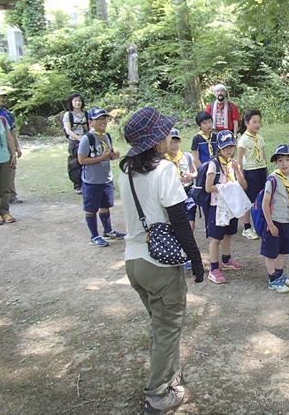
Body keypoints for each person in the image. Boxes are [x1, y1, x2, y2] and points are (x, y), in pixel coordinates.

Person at [118, 107, 205, 415]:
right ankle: (157, 395)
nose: (169, 136)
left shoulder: (125, 170)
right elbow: (179, 221)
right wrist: (196, 260)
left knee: (160, 324)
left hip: (133, 261)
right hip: (159, 264)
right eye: (165, 132)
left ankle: (170, 377)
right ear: (155, 140)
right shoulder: (164, 169)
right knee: (168, 327)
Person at [77, 107, 125, 246]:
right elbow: (81, 160)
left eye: (104, 118)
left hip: (106, 178)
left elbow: (107, 155)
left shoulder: (107, 136)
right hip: (92, 180)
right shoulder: (87, 138)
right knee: (91, 209)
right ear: (91, 121)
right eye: (98, 119)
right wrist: (101, 157)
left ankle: (108, 231)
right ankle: (94, 236)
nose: (102, 121)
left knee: (105, 206)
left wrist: (112, 156)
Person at [205, 130, 247, 284]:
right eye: (225, 148)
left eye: (231, 147)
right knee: (216, 238)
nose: (229, 150)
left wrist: (237, 170)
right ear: (219, 148)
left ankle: (226, 260)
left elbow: (243, 185)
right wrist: (226, 187)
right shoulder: (214, 164)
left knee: (228, 234)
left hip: (231, 205)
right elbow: (208, 187)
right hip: (218, 206)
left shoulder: (232, 163)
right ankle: (213, 268)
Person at [261, 144, 289, 293]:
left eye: (287, 159)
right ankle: (272, 279)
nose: (284, 163)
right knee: (271, 251)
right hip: (274, 221)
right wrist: (270, 224)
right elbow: (264, 204)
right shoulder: (273, 179)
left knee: (282, 250)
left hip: (287, 220)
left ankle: (279, 274)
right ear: (276, 163)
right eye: (280, 160)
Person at [237, 108, 267, 240]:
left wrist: (266, 171)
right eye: (254, 122)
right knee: (249, 200)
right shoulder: (243, 139)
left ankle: (258, 224)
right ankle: (246, 227)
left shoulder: (260, 138)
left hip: (261, 170)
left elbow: (264, 156)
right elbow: (239, 161)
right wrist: (241, 177)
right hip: (249, 171)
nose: (257, 125)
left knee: (260, 199)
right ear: (247, 122)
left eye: (259, 122)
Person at [165, 129, 197, 231]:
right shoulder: (163, 160)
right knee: (176, 223)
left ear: (180, 141)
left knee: (190, 221)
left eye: (176, 142)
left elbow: (196, 172)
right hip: (173, 194)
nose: (173, 145)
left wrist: (191, 176)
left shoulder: (186, 156)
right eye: (170, 142)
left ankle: (188, 244)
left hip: (188, 192)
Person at [0, 87, 22, 204]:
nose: (3, 99)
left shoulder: (7, 114)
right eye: (0, 96)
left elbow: (12, 132)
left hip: (6, 148)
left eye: (4, 96)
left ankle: (11, 195)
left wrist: (17, 147)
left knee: (11, 171)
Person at [0, 91, 17, 225]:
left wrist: (13, 154)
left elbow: (9, 138)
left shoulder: (2, 119)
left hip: (4, 157)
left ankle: (4, 211)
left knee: (5, 187)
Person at [62, 93, 89, 194]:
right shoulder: (68, 115)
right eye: (75, 101)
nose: (78, 103)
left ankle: (86, 183)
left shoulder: (86, 114)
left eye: (79, 101)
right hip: (74, 141)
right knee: (75, 162)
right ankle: (77, 185)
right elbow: (68, 131)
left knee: (87, 161)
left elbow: (90, 127)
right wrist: (79, 139)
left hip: (86, 140)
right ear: (71, 102)